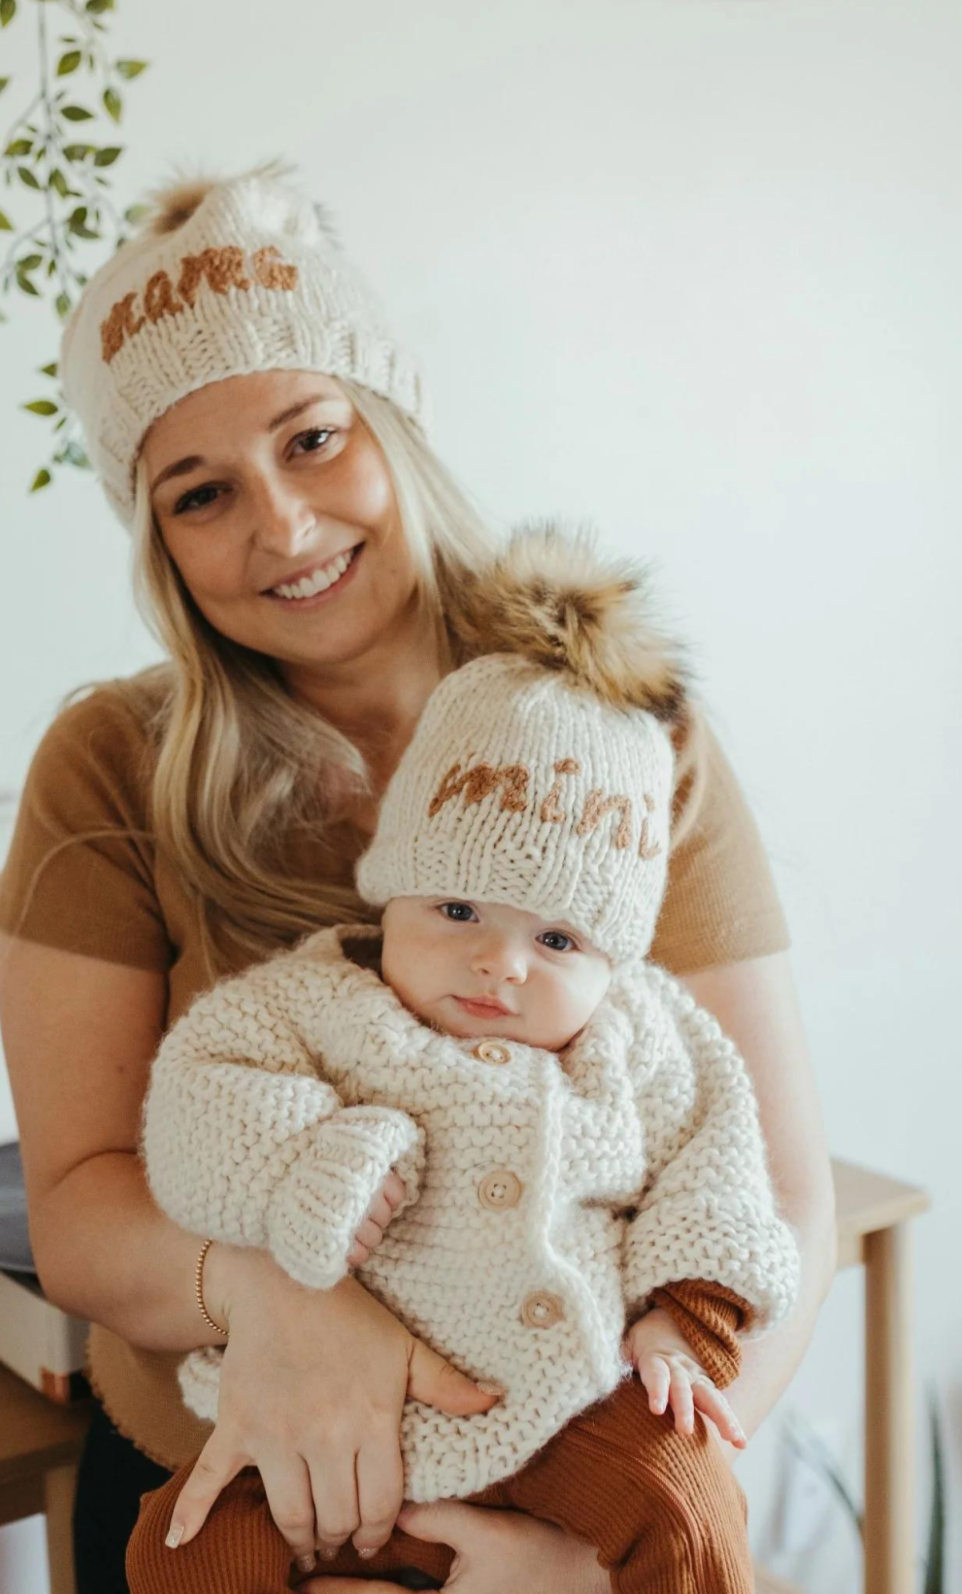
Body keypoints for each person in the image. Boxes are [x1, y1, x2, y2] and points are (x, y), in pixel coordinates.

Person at [0, 157, 837, 1594]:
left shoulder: (612, 731)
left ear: (393, 420)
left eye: (313, 438)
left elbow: (777, 1191)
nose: (282, 526)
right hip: (236, 1479)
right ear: (159, 542)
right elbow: (74, 1208)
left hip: (571, 1464)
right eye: (201, 494)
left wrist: (598, 1544)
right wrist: (264, 1293)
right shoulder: (115, 765)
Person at [123, 524, 801, 1594]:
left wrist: (685, 1322)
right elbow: (197, 1102)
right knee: (182, 1545)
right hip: (325, 1414)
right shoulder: (318, 1001)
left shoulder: (647, 1039)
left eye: (558, 939)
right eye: (454, 907)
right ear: (389, 892)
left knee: (689, 1500)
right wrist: (316, 1160)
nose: (499, 962)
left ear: (610, 959)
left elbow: (721, 1176)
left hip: (573, 1400)